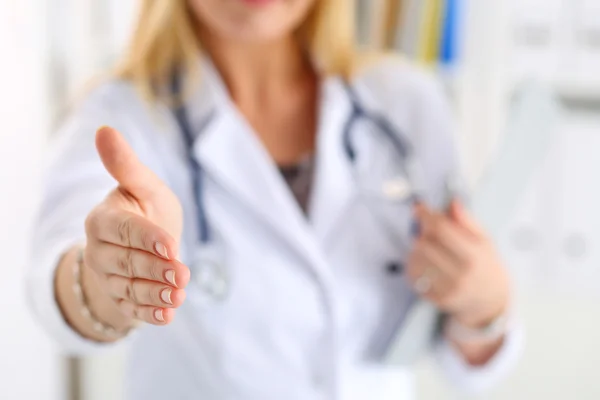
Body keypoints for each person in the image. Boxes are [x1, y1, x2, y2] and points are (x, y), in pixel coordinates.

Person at [27, 1, 523, 399]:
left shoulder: (406, 103)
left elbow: (463, 359)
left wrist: (485, 307)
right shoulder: (124, 114)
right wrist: (103, 277)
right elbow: (53, 281)